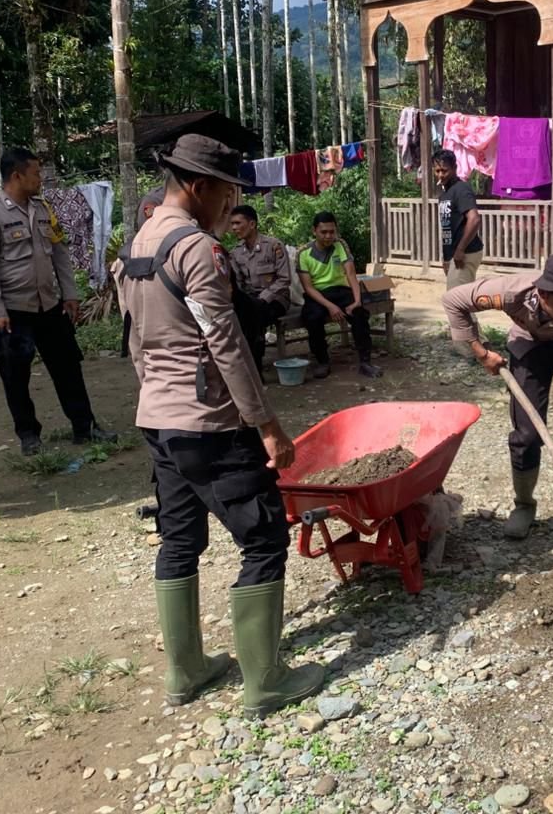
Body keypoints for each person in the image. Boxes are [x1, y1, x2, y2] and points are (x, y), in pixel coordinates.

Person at [112, 133, 323, 718]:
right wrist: (267, 424)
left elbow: (135, 341)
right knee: (264, 537)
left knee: (179, 538)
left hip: (158, 419)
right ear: (200, 186)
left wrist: (156, 398)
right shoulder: (197, 250)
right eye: (228, 193)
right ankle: (266, 680)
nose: (231, 206)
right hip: (210, 423)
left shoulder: (137, 244)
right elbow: (226, 343)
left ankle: (185, 671)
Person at [442, 254, 553, 555]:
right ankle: (524, 505)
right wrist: (481, 353)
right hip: (529, 342)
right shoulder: (512, 292)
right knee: (527, 433)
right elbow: (453, 301)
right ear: (543, 294)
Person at [0, 148, 116, 456]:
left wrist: (70, 294)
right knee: (15, 376)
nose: (41, 179)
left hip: (49, 306)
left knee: (68, 368)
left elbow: (60, 253)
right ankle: (28, 435)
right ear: (17, 176)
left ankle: (85, 426)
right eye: (36, 173)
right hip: (13, 311)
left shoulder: (43, 209)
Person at [297, 211, 382, 380]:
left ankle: (365, 362)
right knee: (312, 317)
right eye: (324, 232)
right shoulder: (303, 253)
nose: (328, 236)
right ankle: (322, 361)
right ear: (314, 231)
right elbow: (308, 287)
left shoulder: (340, 245)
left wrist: (357, 301)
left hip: (341, 290)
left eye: (332, 231)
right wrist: (330, 306)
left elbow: (351, 274)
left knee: (359, 314)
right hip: (318, 294)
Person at [229, 205, 291, 375]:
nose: (234, 228)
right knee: (242, 314)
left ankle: (254, 368)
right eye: (232, 224)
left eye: (238, 223)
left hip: (276, 299)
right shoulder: (236, 253)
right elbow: (239, 284)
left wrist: (262, 298)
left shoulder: (273, 246)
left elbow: (284, 279)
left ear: (252, 224)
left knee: (253, 315)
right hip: (251, 301)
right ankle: (251, 366)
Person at [434, 149, 483, 289]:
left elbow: (474, 219)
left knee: (456, 299)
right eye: (437, 171)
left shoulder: (461, 189)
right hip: (453, 255)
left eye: (445, 171)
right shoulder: (445, 193)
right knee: (460, 298)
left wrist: (460, 250)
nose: (440, 175)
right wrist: (446, 258)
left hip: (465, 253)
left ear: (455, 168)